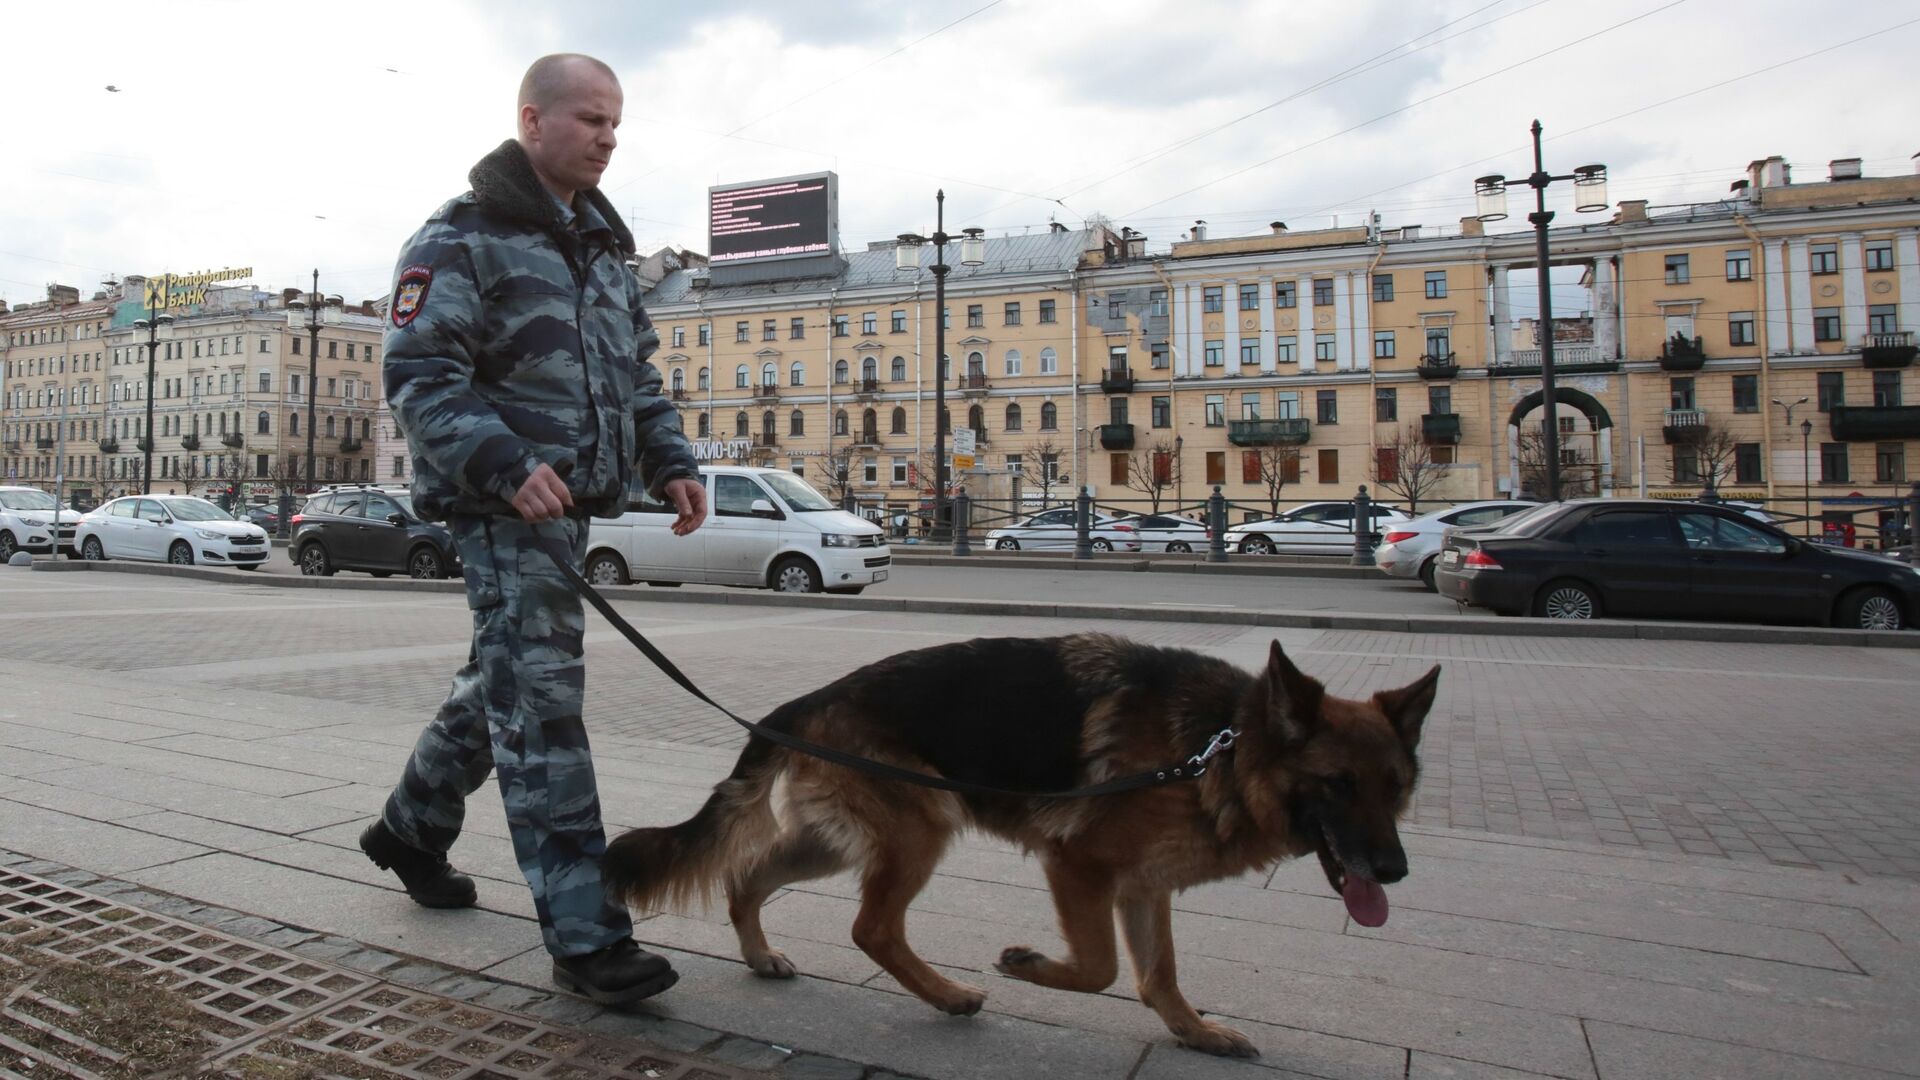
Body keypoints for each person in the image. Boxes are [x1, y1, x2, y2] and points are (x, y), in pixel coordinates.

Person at [363, 53, 707, 1007]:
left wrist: (672, 461)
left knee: (501, 687)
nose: (607, 138)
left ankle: (408, 829)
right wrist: (509, 465)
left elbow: (634, 378)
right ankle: (587, 934)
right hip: (499, 509)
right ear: (533, 120)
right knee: (543, 710)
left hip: (568, 512)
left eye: (616, 123)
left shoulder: (600, 248)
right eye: (591, 119)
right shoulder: (461, 238)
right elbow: (421, 376)